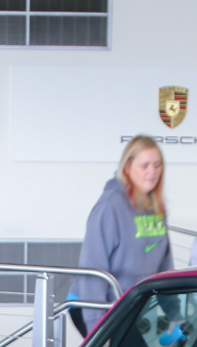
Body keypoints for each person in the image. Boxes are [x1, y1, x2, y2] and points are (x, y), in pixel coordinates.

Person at [70, 135, 171, 334]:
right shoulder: (110, 205)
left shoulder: (156, 207)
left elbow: (165, 267)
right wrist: (96, 327)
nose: (152, 171)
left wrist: (175, 314)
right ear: (127, 167)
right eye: (145, 165)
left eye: (157, 165)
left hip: (128, 306)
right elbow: (93, 268)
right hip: (94, 306)